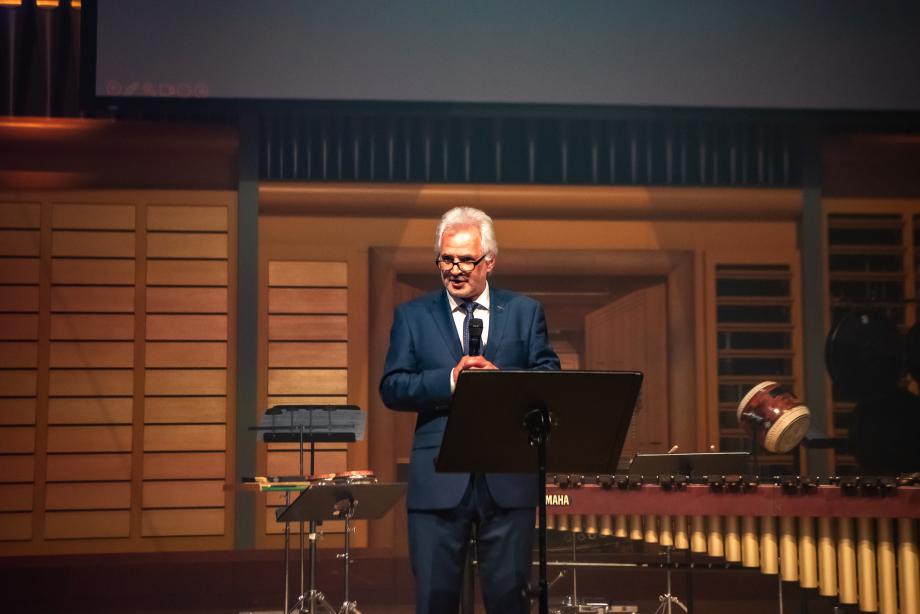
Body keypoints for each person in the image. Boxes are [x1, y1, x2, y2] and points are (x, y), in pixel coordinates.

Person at [380, 206, 560, 613]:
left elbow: (548, 377)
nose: (456, 269)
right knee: (434, 602)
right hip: (438, 481)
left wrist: (503, 382)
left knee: (509, 602)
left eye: (466, 259)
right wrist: (449, 381)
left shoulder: (524, 312)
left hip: (506, 482)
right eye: (447, 259)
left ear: (490, 262)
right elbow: (392, 387)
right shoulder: (412, 317)